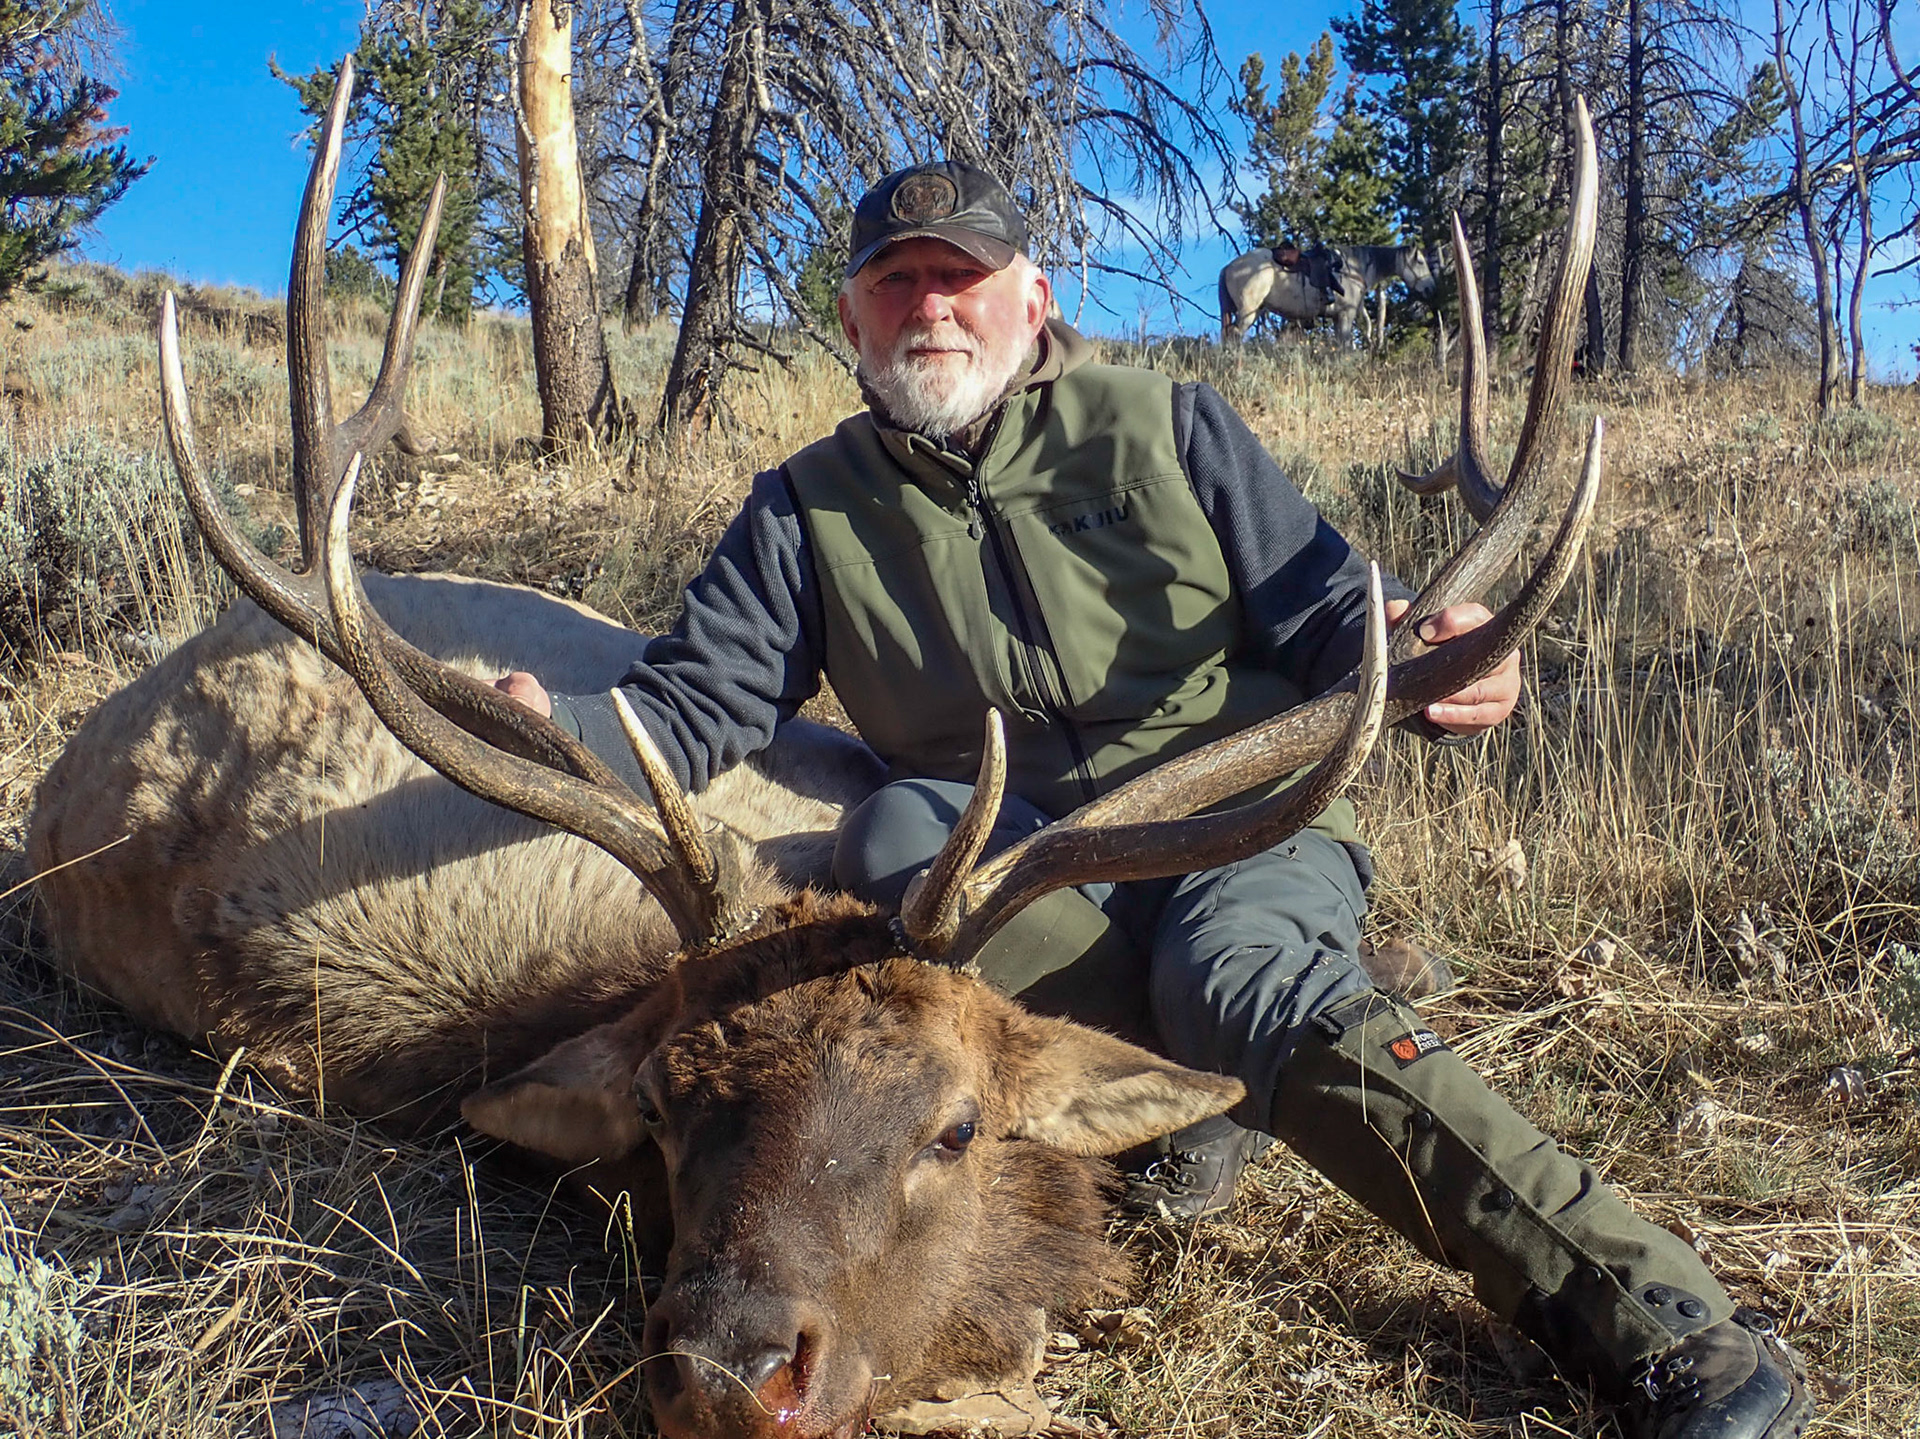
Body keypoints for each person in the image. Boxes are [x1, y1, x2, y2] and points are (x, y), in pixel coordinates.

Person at [493, 160, 1813, 1439]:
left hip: (1236, 828)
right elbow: (696, 700)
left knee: (1235, 975)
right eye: (896, 284)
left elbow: (1328, 621)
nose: (931, 308)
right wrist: (568, 732)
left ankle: (1655, 1318)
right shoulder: (803, 511)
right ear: (849, 319)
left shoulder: (1171, 426)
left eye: (963, 277)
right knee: (896, 833)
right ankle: (1199, 1097)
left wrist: (1434, 655)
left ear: (1034, 296)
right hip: (1017, 872)